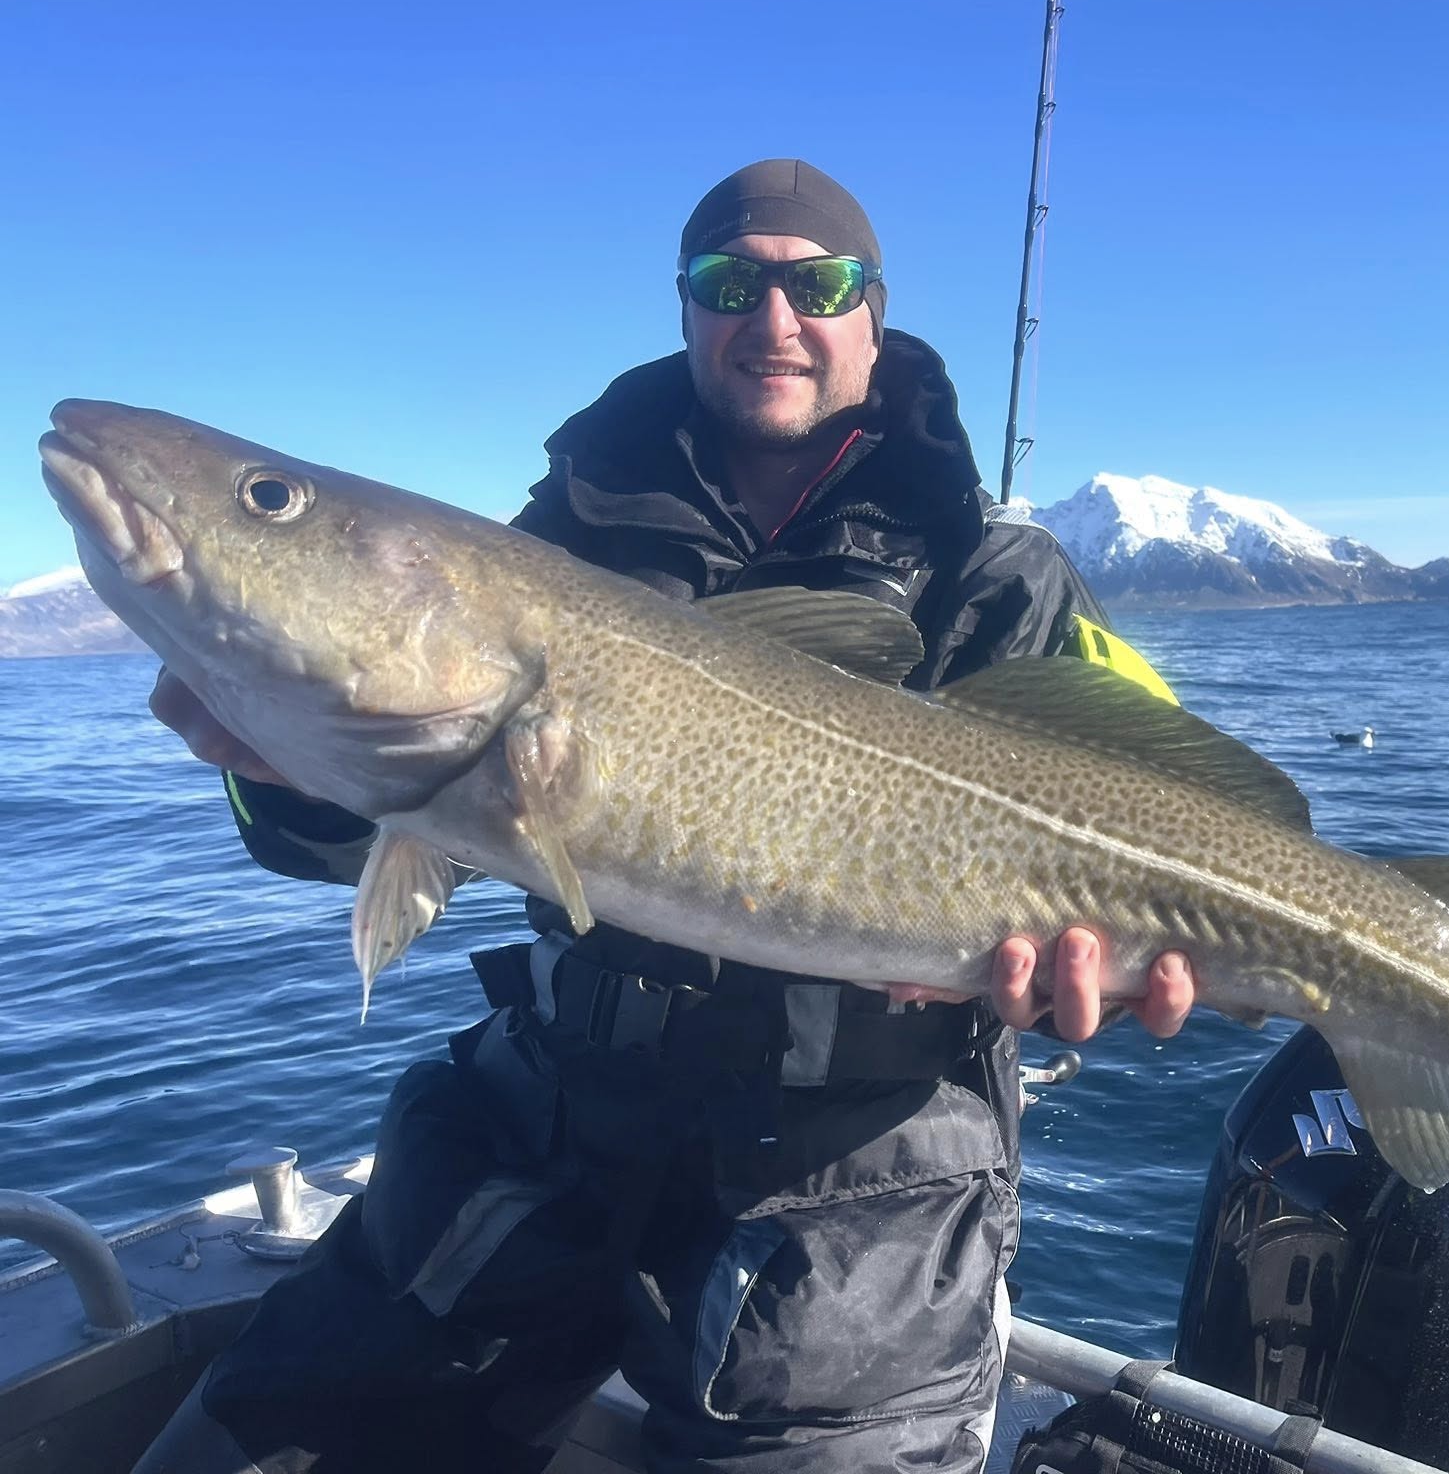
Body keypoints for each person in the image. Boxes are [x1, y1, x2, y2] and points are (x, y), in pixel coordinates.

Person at [132, 159, 1194, 1474]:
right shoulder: (558, 539)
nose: (774, 317)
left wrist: (1105, 968)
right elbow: (375, 833)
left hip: (860, 1181)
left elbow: (1170, 805)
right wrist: (287, 766)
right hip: (548, 1119)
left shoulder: (999, 573)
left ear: (875, 316)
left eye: (822, 284)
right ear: (687, 309)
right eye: (728, 283)